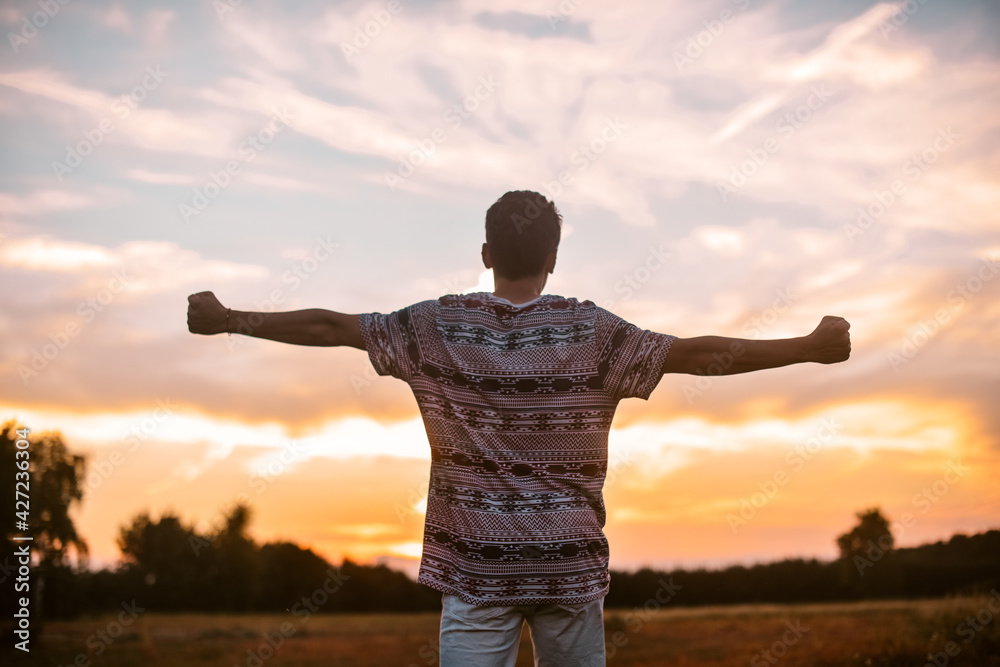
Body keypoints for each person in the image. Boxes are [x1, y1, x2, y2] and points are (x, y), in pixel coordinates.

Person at [187, 189, 851, 666]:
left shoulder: (434, 327)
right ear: (554, 255)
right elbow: (702, 354)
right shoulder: (595, 332)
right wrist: (807, 344)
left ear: (484, 252)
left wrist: (229, 318)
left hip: (476, 573)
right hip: (568, 569)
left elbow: (329, 327)